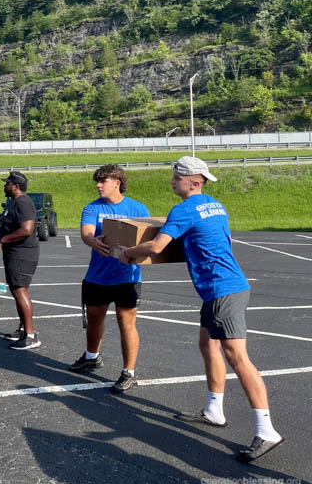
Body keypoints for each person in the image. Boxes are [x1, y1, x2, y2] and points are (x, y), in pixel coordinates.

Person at [119, 156, 283, 463]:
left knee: (238, 358)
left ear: (194, 182)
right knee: (207, 344)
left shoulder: (183, 209)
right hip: (222, 288)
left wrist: (128, 251)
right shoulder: (216, 205)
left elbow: (155, 247)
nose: (171, 181)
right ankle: (214, 409)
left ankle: (267, 430)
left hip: (223, 290)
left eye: (176, 178)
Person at [70, 164, 149, 394]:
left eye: (103, 181)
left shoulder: (137, 208)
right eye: (97, 181)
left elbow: (146, 236)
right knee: (94, 319)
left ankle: (129, 373)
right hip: (98, 276)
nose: (98, 185)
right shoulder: (92, 208)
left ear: (117, 182)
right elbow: (86, 232)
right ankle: (92, 357)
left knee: (127, 323)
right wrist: (92, 241)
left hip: (127, 276)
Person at [0, 171, 40, 350]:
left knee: (19, 291)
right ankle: (24, 329)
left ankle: (31, 336)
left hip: (22, 255)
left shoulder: (23, 203)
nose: (4, 186)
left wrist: (2, 241)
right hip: (15, 253)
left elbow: (26, 229)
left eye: (7, 183)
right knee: (17, 291)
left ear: (15, 186)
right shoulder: (15, 203)